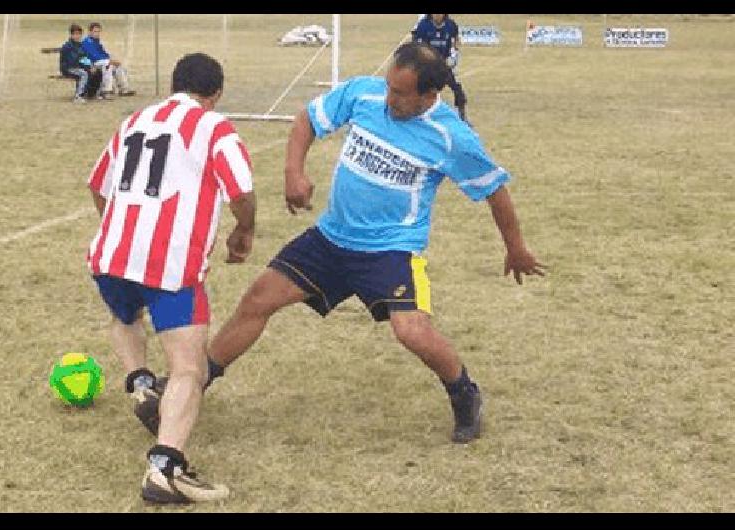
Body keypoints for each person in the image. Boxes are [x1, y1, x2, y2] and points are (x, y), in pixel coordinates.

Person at [138, 42, 545, 445]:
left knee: (412, 331)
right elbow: (306, 122)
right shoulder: (362, 93)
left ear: (429, 96)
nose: (389, 99)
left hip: (390, 250)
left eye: (401, 94)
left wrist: (516, 247)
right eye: (389, 87)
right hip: (330, 239)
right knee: (258, 299)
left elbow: (495, 191)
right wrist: (293, 172)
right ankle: (194, 383)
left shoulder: (452, 136)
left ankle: (463, 392)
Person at [86, 52, 256, 503]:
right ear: (215, 94)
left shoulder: (134, 120)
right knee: (187, 368)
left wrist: (120, 228)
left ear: (172, 84)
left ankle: (140, 382)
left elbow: (97, 184)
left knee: (126, 316)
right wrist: (245, 229)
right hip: (170, 266)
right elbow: (240, 189)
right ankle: (166, 466)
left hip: (110, 255)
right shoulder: (214, 126)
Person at [411, 14, 468, 122]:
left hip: (443, 64)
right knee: (421, 88)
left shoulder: (450, 25)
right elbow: (417, 43)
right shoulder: (424, 25)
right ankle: (417, 114)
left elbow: (456, 38)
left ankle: (462, 117)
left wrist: (455, 52)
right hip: (428, 64)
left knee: (457, 89)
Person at [82, 22, 136, 98]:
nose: (97, 33)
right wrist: (109, 61)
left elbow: (105, 54)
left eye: (98, 31)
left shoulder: (97, 42)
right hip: (91, 63)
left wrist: (111, 60)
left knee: (117, 66)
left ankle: (124, 89)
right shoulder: (87, 42)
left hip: (100, 62)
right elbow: (94, 56)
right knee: (108, 65)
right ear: (90, 32)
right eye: (95, 31)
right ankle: (106, 90)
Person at [59, 24, 102, 103]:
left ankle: (92, 93)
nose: (77, 36)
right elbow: (73, 61)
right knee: (84, 73)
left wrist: (91, 65)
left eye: (79, 34)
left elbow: (86, 57)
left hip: (78, 67)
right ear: (71, 35)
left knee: (97, 71)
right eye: (75, 34)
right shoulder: (68, 46)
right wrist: (87, 67)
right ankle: (78, 96)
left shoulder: (81, 45)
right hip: (68, 68)